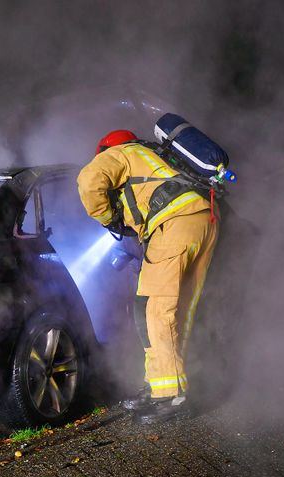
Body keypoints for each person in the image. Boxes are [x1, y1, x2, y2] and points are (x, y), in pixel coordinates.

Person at [77, 129, 219, 424]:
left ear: (105, 148)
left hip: (173, 225)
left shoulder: (119, 153)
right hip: (205, 221)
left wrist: (108, 217)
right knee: (178, 309)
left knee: (154, 309)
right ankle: (161, 383)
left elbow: (89, 181)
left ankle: (171, 395)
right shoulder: (155, 155)